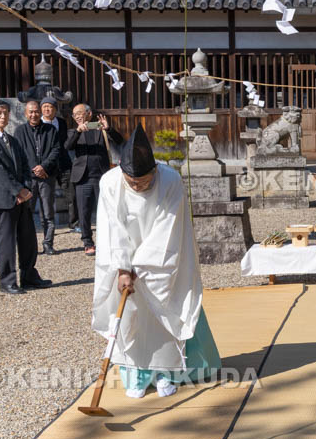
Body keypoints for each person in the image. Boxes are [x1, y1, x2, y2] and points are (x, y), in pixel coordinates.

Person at [91, 126, 220, 398]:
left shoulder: (170, 180)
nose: (138, 186)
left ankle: (168, 372)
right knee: (130, 314)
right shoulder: (111, 182)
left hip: (162, 260)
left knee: (164, 306)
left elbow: (169, 229)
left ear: (155, 171)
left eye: (144, 181)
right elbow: (112, 228)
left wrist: (142, 267)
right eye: (132, 182)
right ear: (122, 172)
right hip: (123, 257)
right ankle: (136, 375)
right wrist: (123, 267)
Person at [0, 100, 52, 295]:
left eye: (6, 113)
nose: (3, 116)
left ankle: (29, 275)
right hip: (3, 196)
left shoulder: (13, 140)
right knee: (7, 240)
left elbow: (25, 166)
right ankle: (7, 280)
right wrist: (17, 190)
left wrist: (25, 188)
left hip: (22, 196)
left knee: (28, 238)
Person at [64, 104, 122, 256]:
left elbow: (120, 140)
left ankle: (109, 241)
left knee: (107, 211)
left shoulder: (100, 129)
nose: (76, 116)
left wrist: (108, 129)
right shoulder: (73, 131)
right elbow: (68, 146)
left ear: (89, 114)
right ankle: (87, 242)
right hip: (82, 178)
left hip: (102, 176)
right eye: (74, 114)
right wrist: (78, 131)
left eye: (79, 113)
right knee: (84, 211)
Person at [17, 99, 60, 255]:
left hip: (47, 176)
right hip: (29, 178)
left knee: (48, 212)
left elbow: (56, 150)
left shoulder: (50, 130)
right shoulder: (20, 131)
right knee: (27, 213)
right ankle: (29, 246)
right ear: (26, 113)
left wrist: (44, 166)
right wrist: (35, 168)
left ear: (40, 113)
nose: (34, 114)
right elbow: (20, 153)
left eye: (36, 111)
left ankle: (48, 243)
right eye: (31, 111)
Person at [41, 98, 78, 233]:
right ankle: (47, 227)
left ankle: (74, 223)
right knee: (47, 197)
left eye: (50, 107)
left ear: (55, 109)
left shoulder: (61, 123)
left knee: (71, 194)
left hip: (63, 162)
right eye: (44, 107)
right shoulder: (38, 123)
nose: (47, 109)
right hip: (47, 165)